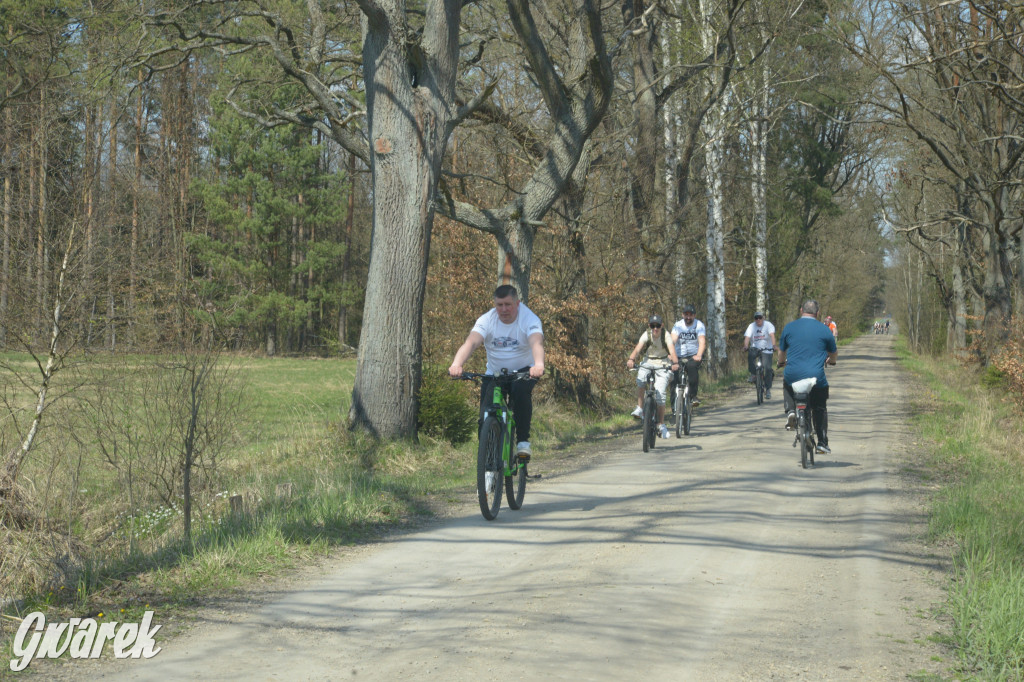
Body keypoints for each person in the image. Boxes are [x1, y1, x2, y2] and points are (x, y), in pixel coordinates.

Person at [449, 285, 545, 461]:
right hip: (494, 373)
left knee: (520, 392)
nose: (503, 309)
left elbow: (536, 343)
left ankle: (523, 442)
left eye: (508, 304)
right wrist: (457, 364)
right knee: (485, 415)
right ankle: (488, 463)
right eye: (499, 305)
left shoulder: (529, 319)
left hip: (523, 372)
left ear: (517, 303)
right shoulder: (487, 320)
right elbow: (471, 343)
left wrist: (538, 364)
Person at [777, 299, 838, 455]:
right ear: (818, 313)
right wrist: (831, 361)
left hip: (793, 375)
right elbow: (833, 353)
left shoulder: (789, 327)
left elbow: (781, 352)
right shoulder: (825, 330)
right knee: (820, 407)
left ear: (800, 310)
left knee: (787, 382)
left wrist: (781, 362)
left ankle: (791, 410)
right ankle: (822, 443)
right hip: (816, 378)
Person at [626, 315, 680, 439]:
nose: (655, 329)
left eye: (657, 326)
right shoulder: (646, 334)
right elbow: (638, 348)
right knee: (640, 379)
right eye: (652, 326)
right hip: (648, 362)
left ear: (662, 326)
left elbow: (672, 351)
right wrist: (631, 359)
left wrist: (675, 363)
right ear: (649, 326)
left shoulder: (666, 336)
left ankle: (661, 424)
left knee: (661, 394)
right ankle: (640, 408)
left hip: (663, 364)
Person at [671, 304, 706, 407]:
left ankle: (693, 396)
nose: (688, 317)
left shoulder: (699, 325)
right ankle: (674, 406)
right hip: (678, 355)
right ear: (682, 315)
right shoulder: (678, 325)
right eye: (686, 315)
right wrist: (671, 354)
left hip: (693, 355)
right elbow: (672, 340)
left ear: (694, 316)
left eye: (690, 315)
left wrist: (699, 355)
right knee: (674, 377)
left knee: (692, 369)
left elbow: (702, 341)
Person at [742, 312, 776, 399]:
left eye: (760, 318)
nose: (758, 320)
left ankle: (768, 389)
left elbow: (772, 335)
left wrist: (774, 345)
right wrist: (746, 346)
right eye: (756, 318)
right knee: (751, 355)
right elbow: (747, 338)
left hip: (766, 349)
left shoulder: (768, 325)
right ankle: (754, 374)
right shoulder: (751, 326)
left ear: (763, 318)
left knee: (767, 368)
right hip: (755, 348)